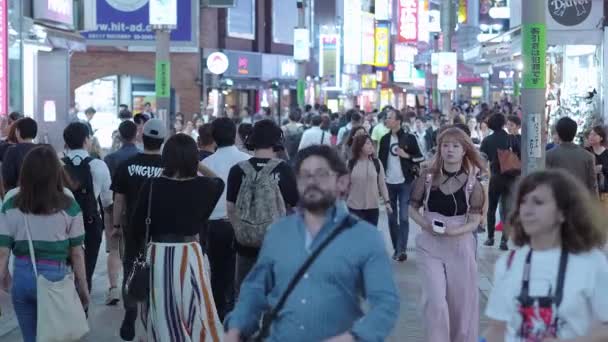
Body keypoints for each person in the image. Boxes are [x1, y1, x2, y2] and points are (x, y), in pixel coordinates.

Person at [224, 145, 400, 342]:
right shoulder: (278, 233)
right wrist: (236, 327)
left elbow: (386, 303)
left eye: (321, 174)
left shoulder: (365, 237)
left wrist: (355, 337)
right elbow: (255, 290)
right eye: (304, 175)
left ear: (342, 182)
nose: (312, 182)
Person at [483, 170, 608, 342]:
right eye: (523, 202)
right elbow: (498, 329)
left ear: (563, 212)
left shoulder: (591, 262)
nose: (527, 210)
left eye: (538, 202)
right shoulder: (509, 263)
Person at [131, 134, 224, 341]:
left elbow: (136, 225)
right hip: (190, 252)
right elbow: (219, 181)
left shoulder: (152, 185)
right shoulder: (205, 187)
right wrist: (196, 164)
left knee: (163, 311)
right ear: (194, 158)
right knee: (196, 308)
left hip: (158, 254)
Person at [0, 145, 90, 342]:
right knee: (57, 336)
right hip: (55, 277)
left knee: (30, 338)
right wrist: (83, 287)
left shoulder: (10, 200)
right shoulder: (68, 202)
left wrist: (3, 276)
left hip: (22, 276)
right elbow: (76, 252)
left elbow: (3, 250)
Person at [409, 127, 486, 342]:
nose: (450, 150)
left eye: (455, 145)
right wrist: (426, 224)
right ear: (439, 149)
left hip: (461, 246)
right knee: (435, 301)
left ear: (464, 151)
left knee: (460, 304)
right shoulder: (427, 177)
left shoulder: (473, 183)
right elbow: (412, 209)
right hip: (429, 245)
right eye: (445, 145)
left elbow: (475, 220)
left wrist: (456, 231)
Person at [227, 120, 298, 291]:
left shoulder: (237, 170)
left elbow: (231, 208)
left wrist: (243, 231)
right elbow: (296, 207)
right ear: (277, 141)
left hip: (244, 245)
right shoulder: (284, 169)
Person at [111, 119, 165, 341]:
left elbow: (119, 200)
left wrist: (115, 226)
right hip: (161, 231)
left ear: (142, 138)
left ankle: (131, 309)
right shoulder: (168, 167)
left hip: (133, 227)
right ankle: (155, 314)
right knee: (159, 272)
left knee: (131, 269)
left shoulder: (127, 165)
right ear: (162, 141)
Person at [201, 117, 250, 320]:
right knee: (237, 274)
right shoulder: (247, 161)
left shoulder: (205, 164)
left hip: (212, 226)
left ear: (213, 137)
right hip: (241, 225)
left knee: (217, 273)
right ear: (235, 134)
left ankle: (217, 314)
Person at [62, 122, 113, 292]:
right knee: (87, 269)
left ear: (66, 142)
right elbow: (107, 201)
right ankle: (83, 305)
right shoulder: (99, 165)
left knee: (63, 270)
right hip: (90, 223)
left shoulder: (58, 165)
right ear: (86, 140)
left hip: (62, 224)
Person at [100, 120, 139, 306]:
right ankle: (134, 285)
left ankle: (114, 288)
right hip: (137, 210)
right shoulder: (141, 157)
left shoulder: (110, 158)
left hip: (113, 207)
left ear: (120, 136)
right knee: (138, 249)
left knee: (114, 248)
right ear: (136, 134)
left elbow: (107, 187)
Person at [378, 109, 424, 262]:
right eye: (386, 118)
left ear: (398, 121)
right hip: (388, 182)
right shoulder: (384, 139)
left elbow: (420, 157)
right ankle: (397, 248)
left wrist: (407, 156)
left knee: (404, 217)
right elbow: (380, 162)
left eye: (390, 118)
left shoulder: (409, 138)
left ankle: (402, 250)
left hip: (405, 182)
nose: (387, 120)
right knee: (392, 218)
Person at [480, 113, 520, 251]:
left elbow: (482, 161)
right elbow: (520, 157)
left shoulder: (487, 141)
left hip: (495, 178)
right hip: (511, 178)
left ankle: (490, 238)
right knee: (508, 210)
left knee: (492, 209)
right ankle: (504, 240)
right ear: (503, 124)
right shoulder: (512, 138)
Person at [547, 117, 598, 197]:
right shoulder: (588, 156)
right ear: (574, 133)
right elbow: (592, 185)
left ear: (558, 133)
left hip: (557, 203)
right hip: (581, 202)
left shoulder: (549, 155)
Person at [347, 134, 391, 226]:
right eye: (367, 144)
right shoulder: (350, 164)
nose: (371, 146)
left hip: (373, 207)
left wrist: (387, 201)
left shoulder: (377, 163)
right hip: (354, 207)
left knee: (370, 237)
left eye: (371, 143)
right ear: (359, 146)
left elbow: (382, 184)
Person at [2, 118, 38, 191]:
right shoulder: (42, 149)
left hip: (18, 193)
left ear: (17, 132)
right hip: (41, 191)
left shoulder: (13, 150)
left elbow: (7, 177)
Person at [586, 126, 608, 209]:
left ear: (601, 138)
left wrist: (602, 168)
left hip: (605, 193)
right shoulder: (585, 152)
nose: (591, 136)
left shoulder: (606, 153)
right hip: (590, 193)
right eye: (590, 134)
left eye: (594, 135)